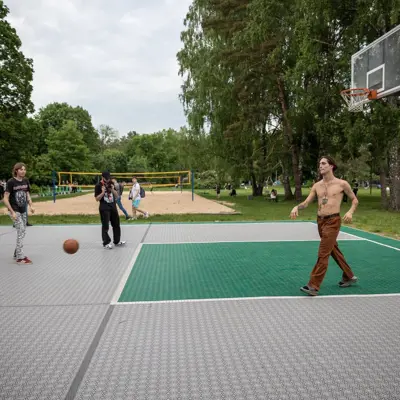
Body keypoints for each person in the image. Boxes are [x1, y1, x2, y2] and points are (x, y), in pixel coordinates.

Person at [290, 156, 359, 296]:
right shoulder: (317, 185)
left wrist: (350, 212)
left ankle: (313, 285)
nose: (320, 166)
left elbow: (354, 200)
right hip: (320, 221)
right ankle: (349, 276)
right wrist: (297, 207)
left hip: (333, 221)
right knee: (333, 250)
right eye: (319, 163)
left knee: (323, 253)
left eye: (323, 163)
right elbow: (307, 202)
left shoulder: (342, 184)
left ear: (331, 166)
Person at [3, 163, 35, 264]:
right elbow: (5, 198)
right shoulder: (11, 182)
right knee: (21, 230)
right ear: (16, 170)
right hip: (14, 211)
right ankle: (20, 257)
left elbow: (27, 194)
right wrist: (12, 212)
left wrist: (31, 205)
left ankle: (17, 252)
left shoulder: (26, 181)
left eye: (24, 169)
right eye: (21, 169)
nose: (23, 171)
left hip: (23, 210)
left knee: (22, 231)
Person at [94, 171, 126, 249]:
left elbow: (117, 196)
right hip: (104, 207)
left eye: (109, 178)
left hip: (113, 206)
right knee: (105, 226)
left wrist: (112, 189)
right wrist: (102, 192)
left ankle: (117, 241)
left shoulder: (111, 183)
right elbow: (97, 199)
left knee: (116, 224)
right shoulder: (98, 185)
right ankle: (106, 243)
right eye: (106, 179)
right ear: (102, 177)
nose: (108, 180)